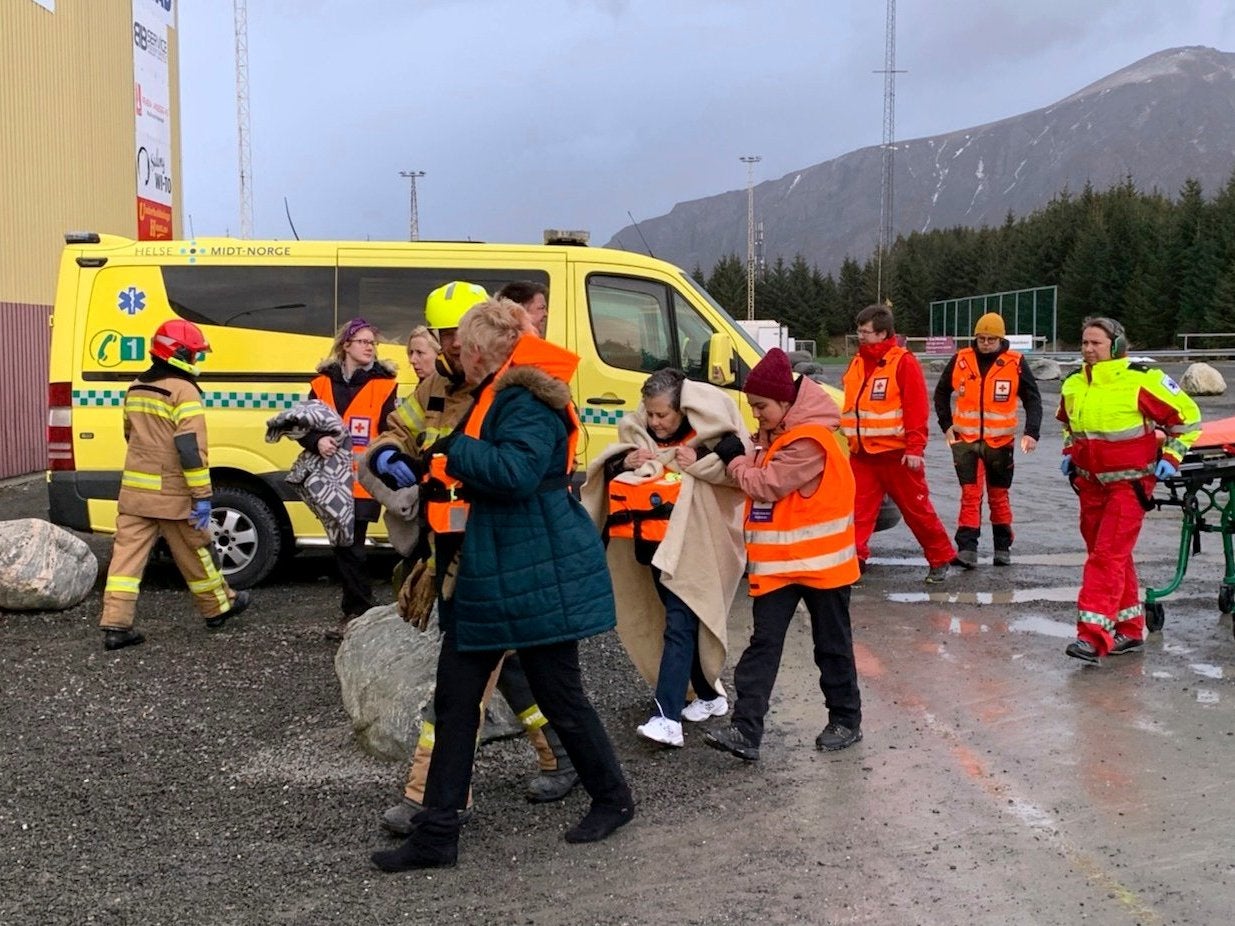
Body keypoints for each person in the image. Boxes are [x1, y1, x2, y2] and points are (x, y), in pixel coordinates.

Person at [371, 299, 634, 872]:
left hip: (529, 571)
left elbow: (515, 474)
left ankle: (613, 799)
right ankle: (437, 833)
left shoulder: (525, 399)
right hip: (498, 570)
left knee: (557, 695)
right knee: (457, 700)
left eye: (463, 348)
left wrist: (452, 450)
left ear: (484, 351)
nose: (455, 357)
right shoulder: (507, 393)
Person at [704, 348, 863, 761]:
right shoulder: (778, 435)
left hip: (822, 568)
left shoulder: (810, 440)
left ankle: (845, 719)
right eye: (753, 406)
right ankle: (745, 730)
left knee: (832, 646)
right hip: (780, 567)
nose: (756, 414)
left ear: (787, 403)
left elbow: (766, 485)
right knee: (763, 646)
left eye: (761, 406)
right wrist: (745, 455)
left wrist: (735, 459)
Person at [582, 368, 747, 748]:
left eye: (663, 415)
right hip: (653, 550)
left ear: (682, 411)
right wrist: (624, 464)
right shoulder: (637, 438)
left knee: (679, 625)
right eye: (651, 414)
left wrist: (700, 455)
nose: (655, 423)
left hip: (694, 550)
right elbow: (605, 472)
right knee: (679, 624)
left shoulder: (709, 439)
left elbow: (737, 454)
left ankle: (667, 717)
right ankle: (709, 696)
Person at [98, 320, 250, 650]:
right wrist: (202, 497)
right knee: (197, 552)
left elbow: (129, 434)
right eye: (194, 355)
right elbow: (190, 449)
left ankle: (115, 625)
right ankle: (218, 608)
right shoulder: (184, 391)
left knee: (125, 561)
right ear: (179, 354)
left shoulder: (136, 386)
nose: (196, 362)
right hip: (173, 494)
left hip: (135, 493)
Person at [1057, 317, 1201, 665]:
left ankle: (1092, 637)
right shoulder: (1074, 384)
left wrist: (1172, 455)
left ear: (1117, 346)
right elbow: (1068, 425)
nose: (1089, 350)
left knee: (1106, 556)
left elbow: (1189, 418)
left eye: (1096, 344)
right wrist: (1068, 453)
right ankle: (1131, 630)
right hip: (1090, 484)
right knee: (1110, 555)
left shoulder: (1142, 380)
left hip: (1130, 484)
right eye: (1085, 342)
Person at [840, 304, 956, 583]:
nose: (860, 336)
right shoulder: (857, 362)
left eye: (865, 332)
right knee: (856, 512)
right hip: (863, 455)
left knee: (917, 510)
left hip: (897, 456)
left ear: (882, 333)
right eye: (859, 330)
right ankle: (854, 561)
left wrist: (915, 449)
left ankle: (940, 558)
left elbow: (916, 409)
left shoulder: (902, 362)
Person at [304, 318, 398, 638]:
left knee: (351, 545)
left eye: (372, 342)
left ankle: (358, 612)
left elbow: (391, 431)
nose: (369, 346)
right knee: (344, 547)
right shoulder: (321, 384)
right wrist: (316, 440)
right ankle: (359, 609)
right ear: (346, 345)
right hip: (328, 481)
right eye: (362, 341)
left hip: (362, 480)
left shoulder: (385, 384)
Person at [933, 312, 1042, 567]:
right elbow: (940, 394)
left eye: (990, 339)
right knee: (970, 494)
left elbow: (1033, 400)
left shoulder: (1015, 362)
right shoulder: (961, 360)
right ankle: (967, 550)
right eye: (981, 338)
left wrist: (1031, 432)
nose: (985, 343)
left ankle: (1002, 547)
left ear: (1000, 339)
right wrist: (946, 426)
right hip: (966, 441)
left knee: (998, 495)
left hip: (1000, 443)